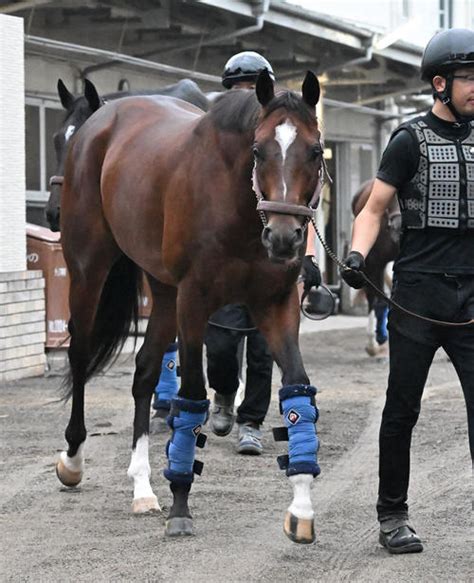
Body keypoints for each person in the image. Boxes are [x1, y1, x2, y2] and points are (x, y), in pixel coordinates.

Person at [341, 28, 474, 555]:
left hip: (472, 300)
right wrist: (355, 254)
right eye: (467, 78)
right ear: (439, 84)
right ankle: (392, 515)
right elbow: (373, 210)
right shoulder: (408, 141)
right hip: (417, 297)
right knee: (401, 410)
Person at [206, 51, 322, 455]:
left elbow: (300, 201)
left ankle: (251, 420)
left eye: (250, 90)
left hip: (270, 259)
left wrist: (307, 259)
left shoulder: (278, 144)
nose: (244, 100)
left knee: (261, 347)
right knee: (220, 342)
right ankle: (221, 392)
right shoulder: (216, 152)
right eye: (238, 90)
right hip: (226, 259)